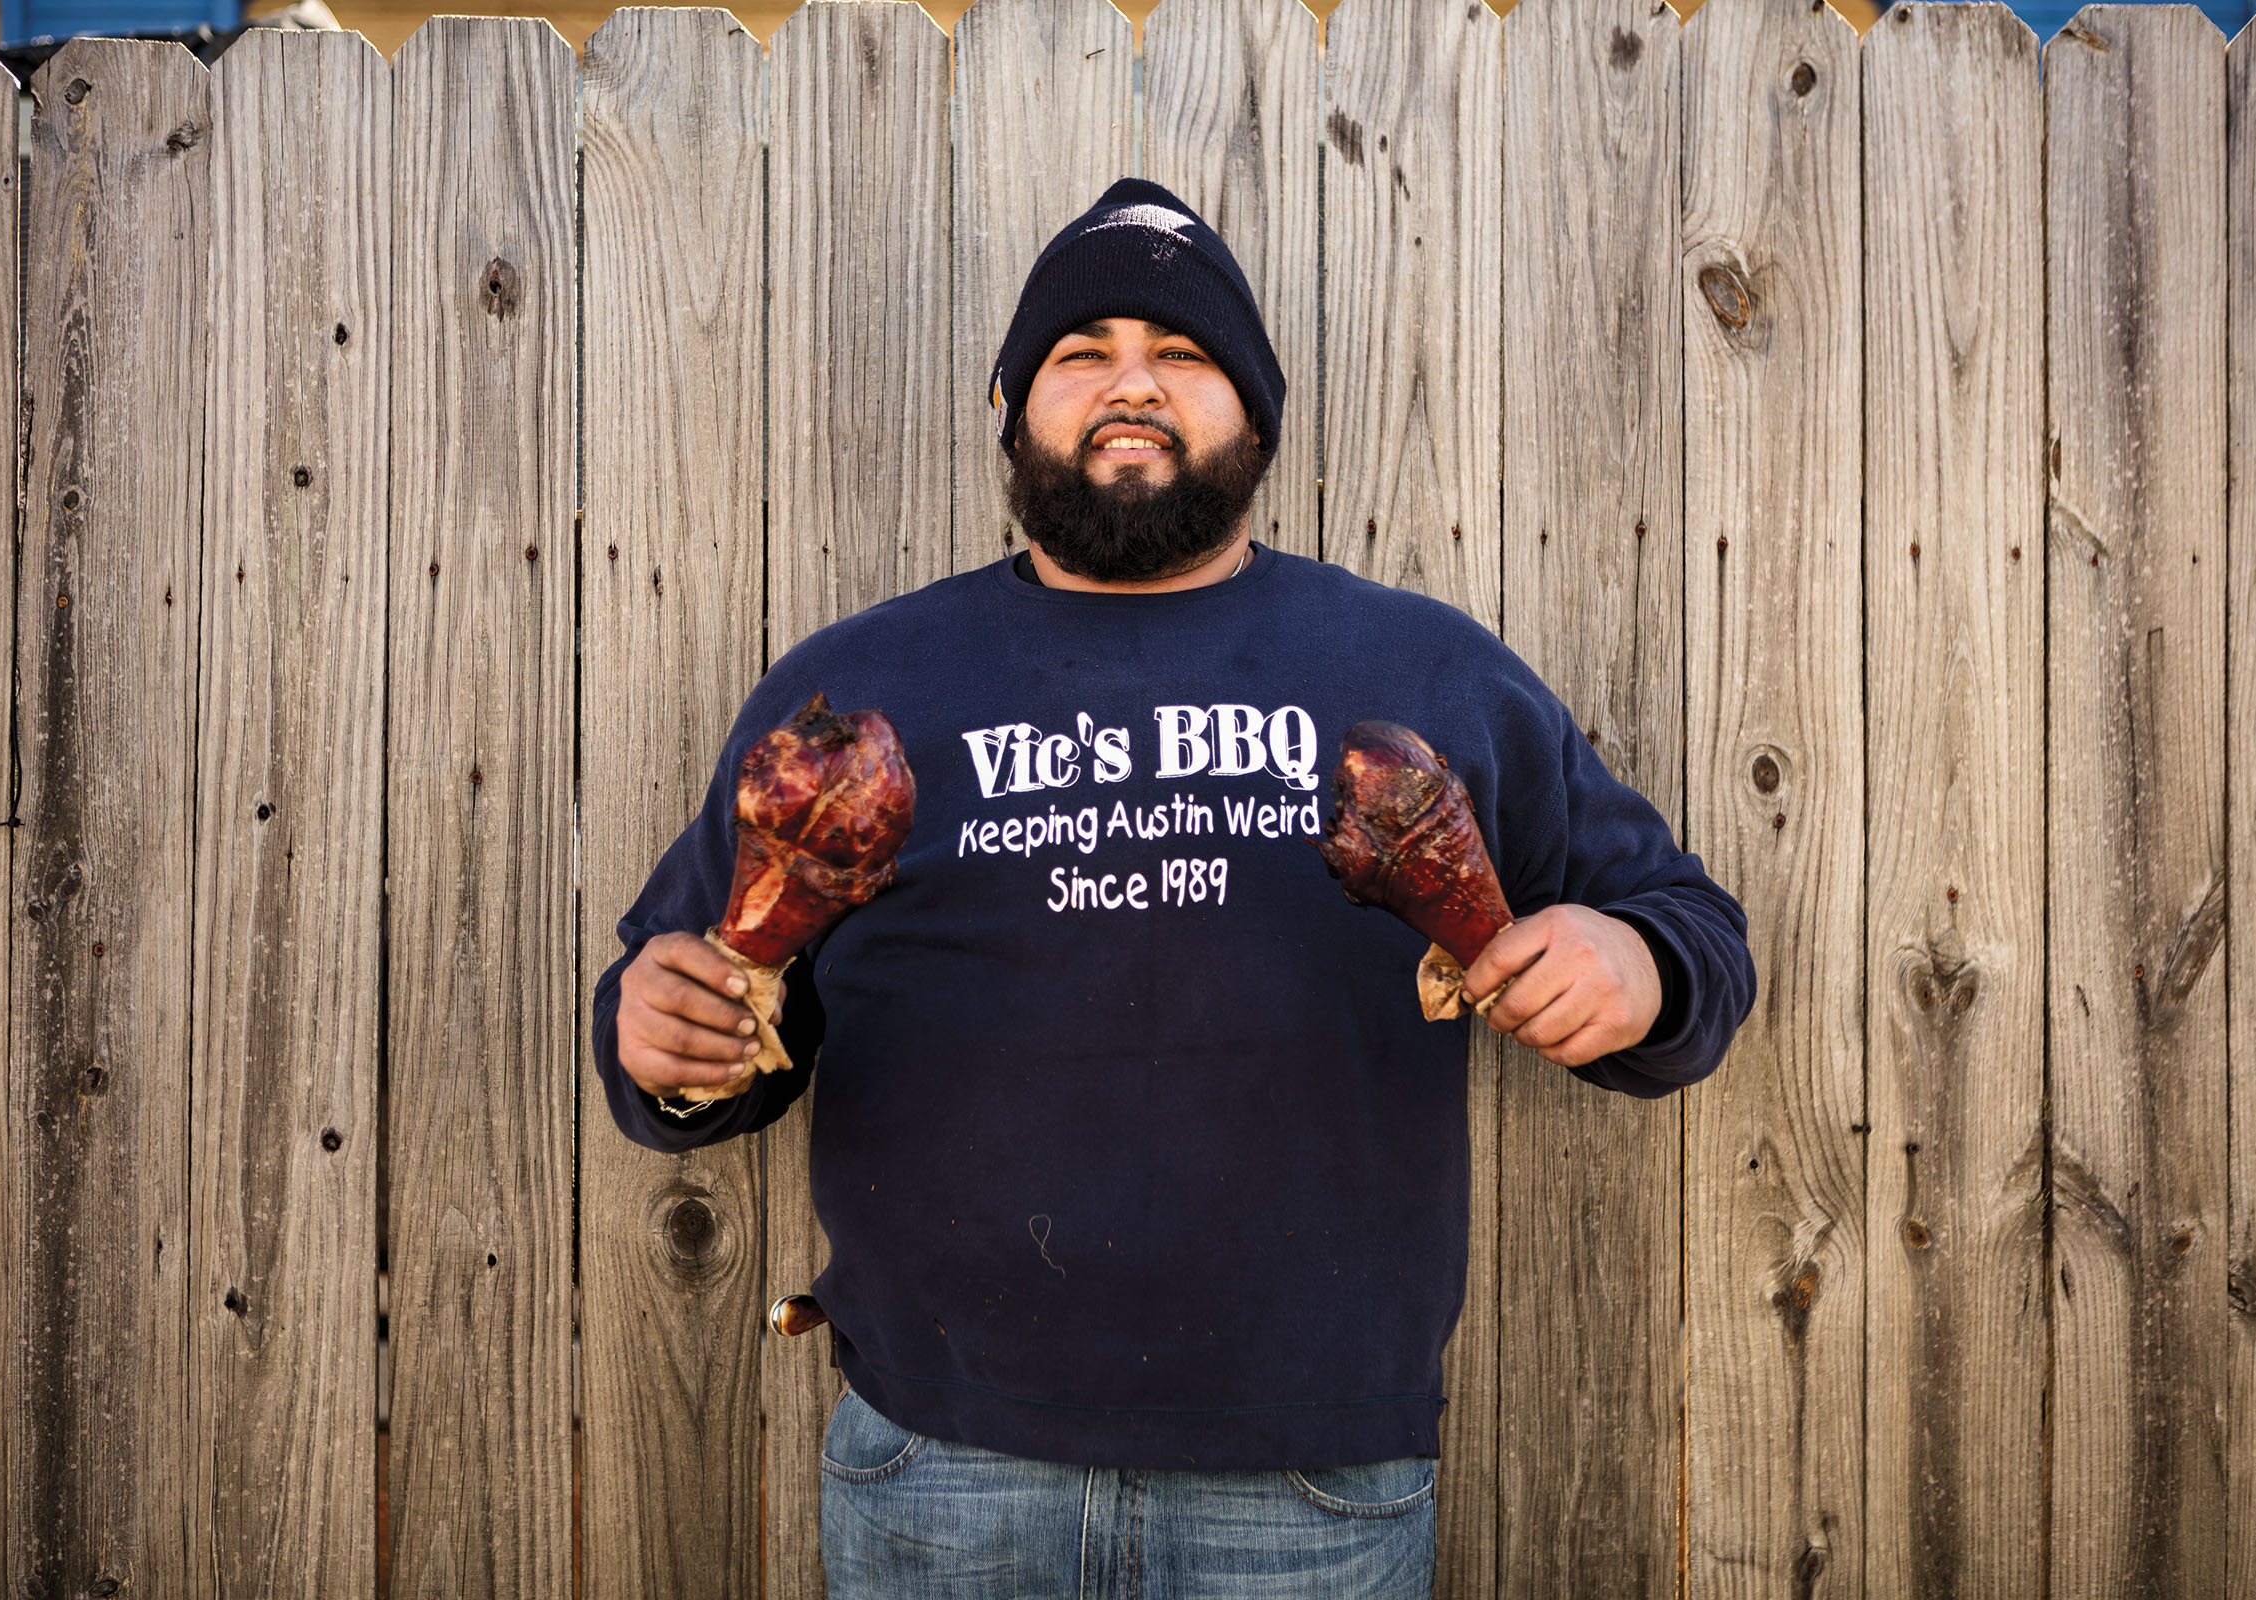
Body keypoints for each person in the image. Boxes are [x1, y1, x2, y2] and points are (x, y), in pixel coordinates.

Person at [593, 178, 1756, 1597]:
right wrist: (659, 1041)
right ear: (1016, 408)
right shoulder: (858, 695)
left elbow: (1688, 929)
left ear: (1254, 416)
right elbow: (697, 1001)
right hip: (939, 1460)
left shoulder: (1424, 673)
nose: (1129, 384)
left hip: (1310, 1476)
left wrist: (1635, 972)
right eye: (1082, 354)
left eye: (1184, 354)